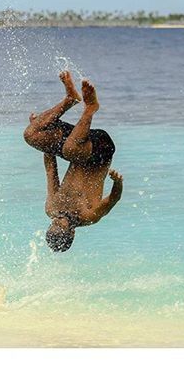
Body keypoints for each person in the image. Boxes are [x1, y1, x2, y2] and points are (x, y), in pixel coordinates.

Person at [23, 71, 123, 252]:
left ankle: (70, 99)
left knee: (31, 135)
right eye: (61, 224)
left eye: (53, 223)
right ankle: (90, 107)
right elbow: (112, 200)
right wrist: (117, 182)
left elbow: (51, 169)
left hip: (78, 143)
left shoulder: (52, 208)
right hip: (100, 150)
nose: (57, 219)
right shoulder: (89, 215)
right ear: (72, 232)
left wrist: (41, 127)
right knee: (71, 150)